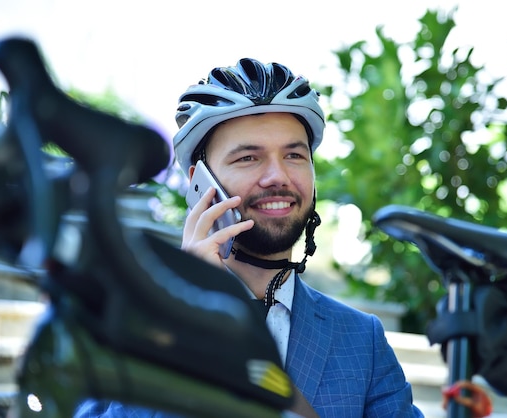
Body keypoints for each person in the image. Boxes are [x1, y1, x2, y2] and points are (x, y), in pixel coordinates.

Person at [76, 58, 424, 418]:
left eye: (294, 155)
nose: (277, 176)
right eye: (248, 158)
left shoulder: (362, 339)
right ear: (200, 184)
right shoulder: (128, 324)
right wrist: (183, 324)